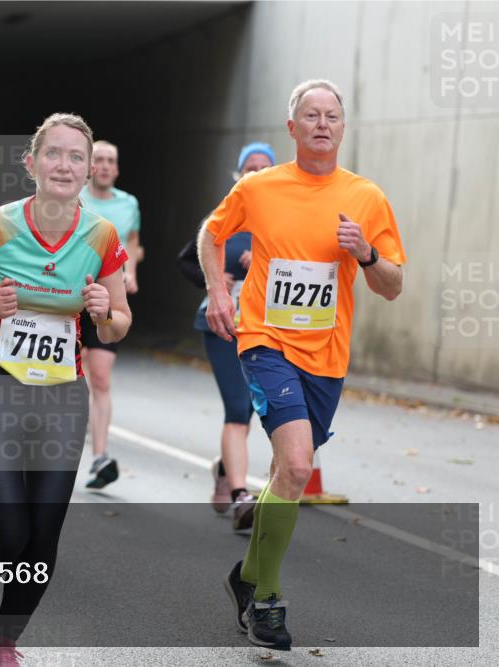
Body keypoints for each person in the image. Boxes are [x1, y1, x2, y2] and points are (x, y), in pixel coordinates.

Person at [201, 80, 405, 650]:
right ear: (292, 128)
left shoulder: (366, 197)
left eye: (331, 116)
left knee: (284, 476)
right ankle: (266, 601)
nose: (322, 124)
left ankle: (245, 577)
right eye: (310, 115)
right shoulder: (259, 187)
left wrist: (366, 253)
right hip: (265, 342)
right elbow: (211, 235)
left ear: (343, 127)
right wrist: (218, 292)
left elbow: (392, 284)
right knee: (295, 466)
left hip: (327, 356)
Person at [0, 114, 131, 666]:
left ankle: (5, 642)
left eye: (76, 157)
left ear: (88, 170)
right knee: (7, 528)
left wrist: (103, 312)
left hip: (61, 394)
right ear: (32, 163)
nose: (65, 165)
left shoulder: (102, 236)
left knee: (42, 535)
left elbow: (119, 324)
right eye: (54, 154)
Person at [179, 142, 276, 529]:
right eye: (250, 167)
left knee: (252, 409)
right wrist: (216, 279)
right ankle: (240, 496)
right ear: (238, 174)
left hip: (267, 330)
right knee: (237, 408)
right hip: (223, 325)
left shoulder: (284, 219)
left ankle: (224, 469)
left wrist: (268, 263)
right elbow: (187, 260)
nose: (256, 172)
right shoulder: (225, 216)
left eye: (264, 167)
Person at [77, 140, 143, 489]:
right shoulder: (75, 198)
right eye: (98, 160)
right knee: (72, 374)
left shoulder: (128, 203)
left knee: (100, 377)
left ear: (116, 169)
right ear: (90, 167)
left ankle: (99, 457)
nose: (104, 165)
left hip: (108, 297)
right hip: (70, 296)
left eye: (110, 161)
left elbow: (132, 241)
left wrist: (130, 271)